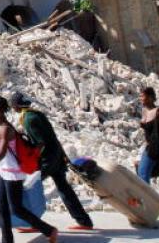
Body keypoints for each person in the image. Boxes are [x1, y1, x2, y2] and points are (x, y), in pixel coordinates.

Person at [0, 95, 58, 243]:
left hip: (14, 174)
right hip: (4, 172)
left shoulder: (6, 129)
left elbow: (1, 154)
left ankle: (49, 230)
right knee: (0, 208)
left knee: (16, 209)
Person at [11, 92, 93, 230]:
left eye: (12, 105)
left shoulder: (28, 119)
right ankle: (85, 222)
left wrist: (34, 162)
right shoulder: (36, 114)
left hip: (47, 159)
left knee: (30, 186)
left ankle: (34, 223)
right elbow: (52, 136)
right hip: (56, 156)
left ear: (16, 106)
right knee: (64, 189)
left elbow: (40, 143)